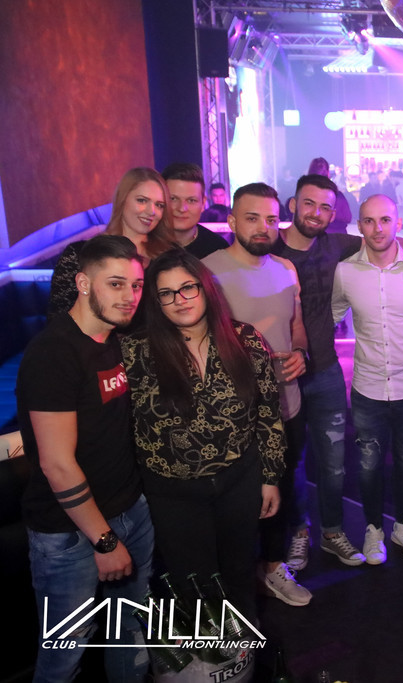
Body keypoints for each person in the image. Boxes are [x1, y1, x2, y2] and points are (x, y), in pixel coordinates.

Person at [272, 174, 403, 571]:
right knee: (298, 460)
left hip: (348, 373)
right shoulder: (275, 249)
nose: (316, 213)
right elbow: (332, 310)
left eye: (325, 207)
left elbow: (386, 242)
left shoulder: (342, 249)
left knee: (360, 462)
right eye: (309, 203)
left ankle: (364, 529)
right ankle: (313, 532)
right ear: (293, 205)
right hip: (295, 373)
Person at [17, 235, 154, 682]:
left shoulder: (115, 339)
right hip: (71, 534)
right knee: (64, 658)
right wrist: (104, 541)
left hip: (130, 511)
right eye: (115, 284)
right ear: (82, 283)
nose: (128, 296)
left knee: (131, 638)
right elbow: (57, 464)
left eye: (135, 285)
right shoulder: (54, 352)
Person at [121, 249, 285, 620]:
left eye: (188, 287)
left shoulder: (245, 339)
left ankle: (243, 646)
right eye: (166, 293)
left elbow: (267, 413)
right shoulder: (135, 352)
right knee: (193, 582)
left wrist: (270, 478)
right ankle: (209, 651)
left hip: (239, 481)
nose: (180, 300)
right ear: (155, 301)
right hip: (172, 492)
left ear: (206, 288)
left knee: (240, 571)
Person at [202, 182, 312, 607]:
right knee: (234, 503)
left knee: (279, 491)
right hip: (233, 416)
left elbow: (295, 325)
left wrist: (300, 353)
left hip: (286, 405)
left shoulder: (286, 268)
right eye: (252, 218)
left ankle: (272, 567)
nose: (263, 227)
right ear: (231, 221)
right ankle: (231, 585)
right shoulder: (207, 272)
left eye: (271, 219)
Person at [330, 195, 403, 565]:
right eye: (370, 221)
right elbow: (330, 316)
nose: (378, 228)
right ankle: (374, 528)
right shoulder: (345, 272)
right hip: (368, 387)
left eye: (385, 220)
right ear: (359, 225)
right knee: (369, 465)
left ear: (398, 224)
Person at [48, 167, 175, 319]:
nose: (151, 211)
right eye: (142, 200)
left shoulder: (170, 258)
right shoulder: (79, 254)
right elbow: (59, 318)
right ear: (122, 199)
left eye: (159, 205)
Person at [161, 162, 230, 258]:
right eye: (173, 199)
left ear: (203, 204)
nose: (182, 208)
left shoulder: (218, 249)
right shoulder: (143, 246)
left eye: (191, 200)